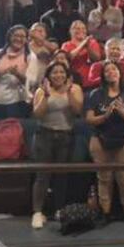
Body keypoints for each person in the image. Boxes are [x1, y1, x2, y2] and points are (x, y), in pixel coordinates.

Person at [85, 61, 124, 225]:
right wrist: (106, 115)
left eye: (114, 69)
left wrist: (121, 110)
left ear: (120, 73)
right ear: (103, 75)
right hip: (100, 139)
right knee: (104, 177)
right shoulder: (95, 94)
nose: (111, 72)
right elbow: (89, 119)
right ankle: (105, 212)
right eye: (107, 70)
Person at [30, 61, 83, 229]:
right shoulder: (41, 91)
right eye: (54, 72)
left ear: (67, 75)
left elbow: (77, 111)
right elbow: (37, 114)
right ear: (48, 76)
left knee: (62, 175)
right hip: (44, 135)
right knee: (42, 176)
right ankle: (38, 212)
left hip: (66, 136)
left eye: (61, 72)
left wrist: (68, 92)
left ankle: (59, 210)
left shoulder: (74, 89)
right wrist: (46, 96)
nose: (58, 75)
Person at [0, 25, 32, 134]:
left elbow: (31, 83)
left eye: (22, 36)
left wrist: (17, 74)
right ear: (9, 37)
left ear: (27, 39)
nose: (18, 39)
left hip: (15, 103)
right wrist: (2, 73)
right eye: (16, 35)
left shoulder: (30, 57)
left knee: (10, 137)